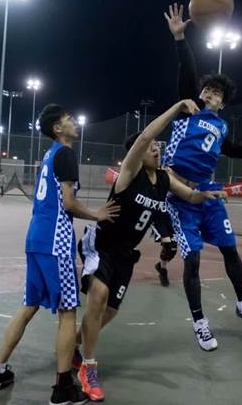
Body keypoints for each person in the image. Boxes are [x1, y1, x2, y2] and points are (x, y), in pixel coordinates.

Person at [75, 99, 226, 400]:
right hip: (101, 245)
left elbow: (190, 196)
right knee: (99, 296)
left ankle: (75, 344)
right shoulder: (130, 173)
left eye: (159, 147)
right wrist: (177, 107)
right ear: (138, 154)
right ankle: (87, 368)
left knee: (111, 311)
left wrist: (205, 195)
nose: (156, 149)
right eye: (151, 148)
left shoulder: (165, 179)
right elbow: (145, 136)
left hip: (126, 254)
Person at [160, 3, 242, 349]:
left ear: (223, 103)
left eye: (216, 93)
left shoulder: (220, 126)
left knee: (231, 249)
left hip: (210, 192)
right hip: (180, 192)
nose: (209, 94)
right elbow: (187, 73)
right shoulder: (187, 110)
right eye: (207, 89)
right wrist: (180, 40)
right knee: (193, 259)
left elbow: (231, 149)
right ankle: (200, 322)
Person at [0, 104, 119, 405]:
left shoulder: (49, 155)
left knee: (29, 306)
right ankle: (62, 389)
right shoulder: (66, 153)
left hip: (36, 237)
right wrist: (97, 215)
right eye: (69, 119)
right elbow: (69, 203)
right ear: (58, 128)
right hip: (55, 241)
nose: (75, 122)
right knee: (68, 312)